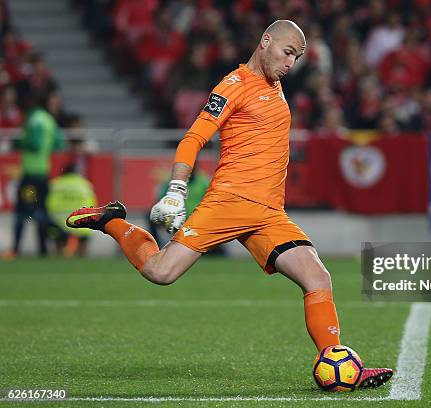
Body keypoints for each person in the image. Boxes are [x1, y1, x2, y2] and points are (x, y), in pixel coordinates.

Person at [66, 20, 393, 388]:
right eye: (288, 53)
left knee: (317, 277)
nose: (291, 64)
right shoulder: (233, 85)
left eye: (297, 58)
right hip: (231, 201)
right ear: (265, 41)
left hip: (269, 212)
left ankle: (336, 364)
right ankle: (114, 221)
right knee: (160, 272)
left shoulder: (275, 84)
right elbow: (194, 138)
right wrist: (177, 189)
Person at [4, 89, 64, 258]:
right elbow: (58, 144)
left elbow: (35, 144)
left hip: (30, 174)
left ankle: (15, 249)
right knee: (40, 210)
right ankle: (43, 250)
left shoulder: (34, 120)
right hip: (43, 173)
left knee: (23, 212)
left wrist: (17, 143)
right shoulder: (49, 120)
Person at [46, 163, 97, 257]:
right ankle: (83, 257)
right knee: (84, 236)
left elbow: (49, 204)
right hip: (82, 222)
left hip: (61, 223)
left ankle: (60, 257)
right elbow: (93, 204)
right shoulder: (85, 184)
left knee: (57, 236)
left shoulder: (56, 184)